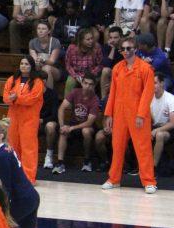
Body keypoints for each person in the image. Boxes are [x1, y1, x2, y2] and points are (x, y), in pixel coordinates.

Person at [103, 37, 157, 193]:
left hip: (138, 114)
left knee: (143, 148)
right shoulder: (117, 69)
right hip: (119, 113)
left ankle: (149, 181)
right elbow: (112, 93)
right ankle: (114, 179)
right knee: (117, 147)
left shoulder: (145, 68)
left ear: (135, 49)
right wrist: (109, 114)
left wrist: (141, 115)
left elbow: (148, 94)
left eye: (129, 48)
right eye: (123, 49)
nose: (126, 51)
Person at [2, 56, 44, 183]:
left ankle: (29, 178)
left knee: (28, 148)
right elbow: (5, 97)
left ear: (31, 66)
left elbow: (31, 99)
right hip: (13, 117)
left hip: (29, 119)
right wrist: (13, 98)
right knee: (12, 146)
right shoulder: (12, 79)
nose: (23, 66)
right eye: (22, 63)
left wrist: (16, 98)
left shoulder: (37, 82)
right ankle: (13, 175)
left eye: (26, 64)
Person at [56, 74, 100, 174]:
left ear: (94, 86)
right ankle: (60, 163)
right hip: (73, 124)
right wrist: (62, 125)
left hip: (87, 126)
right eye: (85, 83)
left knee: (86, 131)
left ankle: (87, 161)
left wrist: (71, 128)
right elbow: (61, 109)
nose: (87, 86)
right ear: (82, 83)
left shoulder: (95, 99)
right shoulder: (75, 92)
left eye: (90, 84)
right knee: (63, 131)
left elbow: (89, 122)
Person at [149, 74, 174, 173]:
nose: (152, 85)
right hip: (153, 126)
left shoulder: (170, 99)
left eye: (155, 83)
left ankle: (153, 168)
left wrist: (157, 130)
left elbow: (172, 123)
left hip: (168, 129)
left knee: (159, 135)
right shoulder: (148, 97)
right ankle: (139, 166)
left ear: (162, 83)